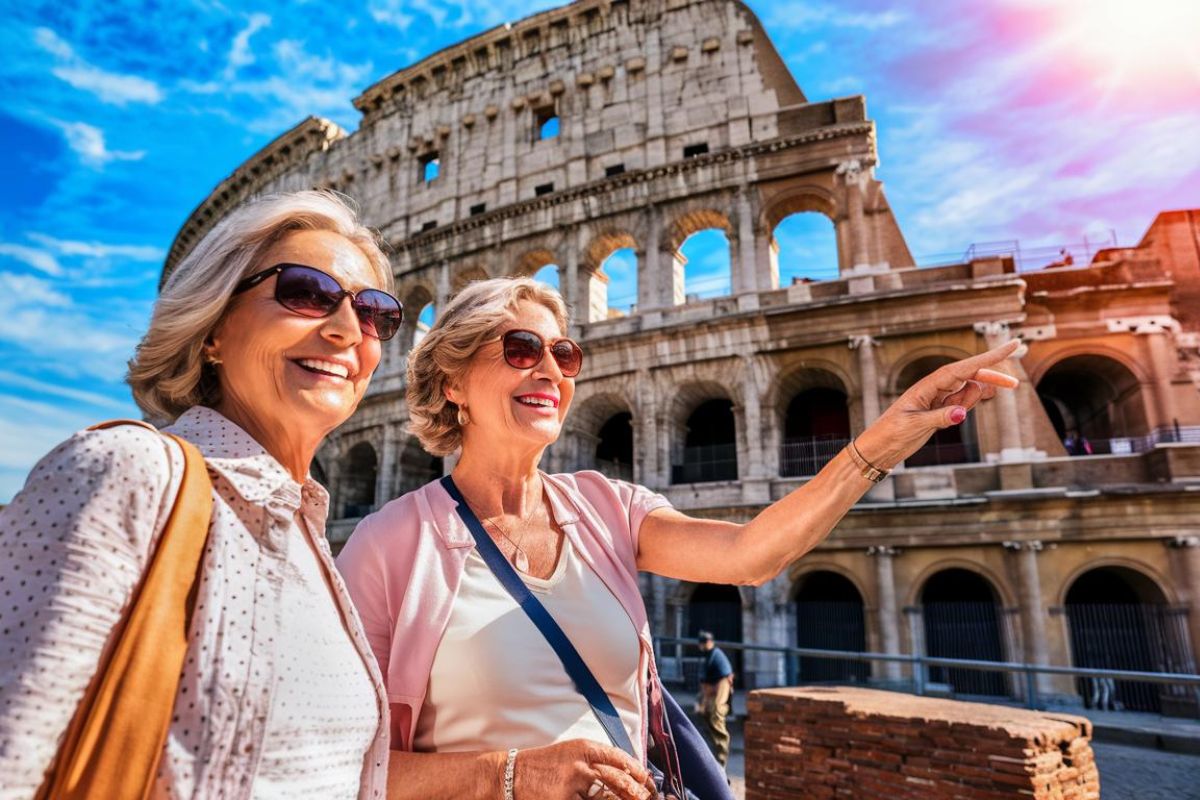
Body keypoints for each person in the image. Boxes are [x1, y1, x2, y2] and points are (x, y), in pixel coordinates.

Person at [336, 276, 1022, 800]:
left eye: (563, 354)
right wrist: (510, 775)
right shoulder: (389, 544)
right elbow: (336, 768)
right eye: (521, 350)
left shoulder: (606, 507)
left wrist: (879, 443)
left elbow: (751, 555)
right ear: (453, 379)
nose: (550, 370)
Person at [0, 191, 401, 798]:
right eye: (306, 292)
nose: (348, 330)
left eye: (374, 314)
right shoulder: (128, 471)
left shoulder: (308, 533)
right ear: (213, 328)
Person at [697, 632, 734, 769]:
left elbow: (720, 677)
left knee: (717, 714)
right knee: (707, 713)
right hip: (714, 685)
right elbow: (704, 681)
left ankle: (721, 756)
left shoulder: (714, 654)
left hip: (722, 683)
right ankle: (714, 752)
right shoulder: (709, 656)